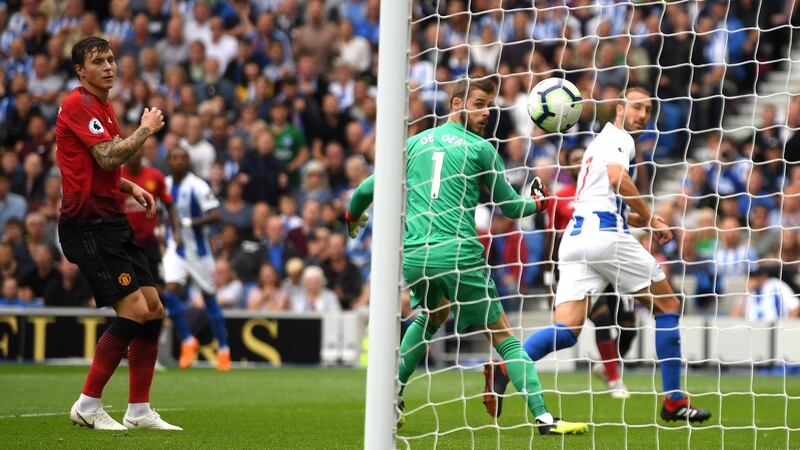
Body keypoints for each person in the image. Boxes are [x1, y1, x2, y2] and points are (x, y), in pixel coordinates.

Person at [346, 77, 587, 435]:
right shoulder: (480, 149)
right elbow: (509, 207)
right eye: (478, 103)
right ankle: (544, 418)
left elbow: (366, 188)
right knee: (504, 336)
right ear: (456, 105)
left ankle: (392, 393)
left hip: (415, 257)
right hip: (458, 254)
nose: (485, 112)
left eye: (488, 105)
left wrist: (353, 217)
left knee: (431, 315)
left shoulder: (412, 144)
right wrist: (537, 201)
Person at [491, 87, 712, 423]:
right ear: (619, 109)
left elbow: (615, 199)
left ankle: (506, 366)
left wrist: (645, 218)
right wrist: (650, 219)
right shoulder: (621, 139)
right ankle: (674, 401)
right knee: (667, 305)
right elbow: (617, 178)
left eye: (648, 110)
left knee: (567, 329)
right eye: (637, 107)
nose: (643, 115)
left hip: (577, 240)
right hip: (605, 238)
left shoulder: (598, 144)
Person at [55, 36, 180, 430]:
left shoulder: (102, 106)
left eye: (111, 59)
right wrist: (145, 130)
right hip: (87, 225)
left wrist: (128, 186)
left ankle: (139, 411)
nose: (109, 66)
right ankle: (87, 405)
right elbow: (108, 154)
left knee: (154, 309)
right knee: (135, 311)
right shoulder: (79, 104)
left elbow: (101, 164)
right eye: (98, 61)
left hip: (111, 220)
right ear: (80, 70)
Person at [161, 147, 231, 371]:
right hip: (176, 249)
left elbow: (217, 214)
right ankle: (188, 340)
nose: (178, 161)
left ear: (188, 161)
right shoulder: (164, 184)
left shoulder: (198, 185)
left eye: (182, 157)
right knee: (169, 292)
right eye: (174, 157)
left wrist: (190, 223)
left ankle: (223, 350)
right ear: (169, 161)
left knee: (210, 299)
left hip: (199, 253)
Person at [732, 266, 800, 320]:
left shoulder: (776, 285)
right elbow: (735, 315)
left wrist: (786, 328)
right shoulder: (749, 292)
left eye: (757, 276)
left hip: (774, 329)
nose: (754, 279)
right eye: (751, 276)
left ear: (764, 276)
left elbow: (796, 307)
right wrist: (747, 292)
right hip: (752, 331)